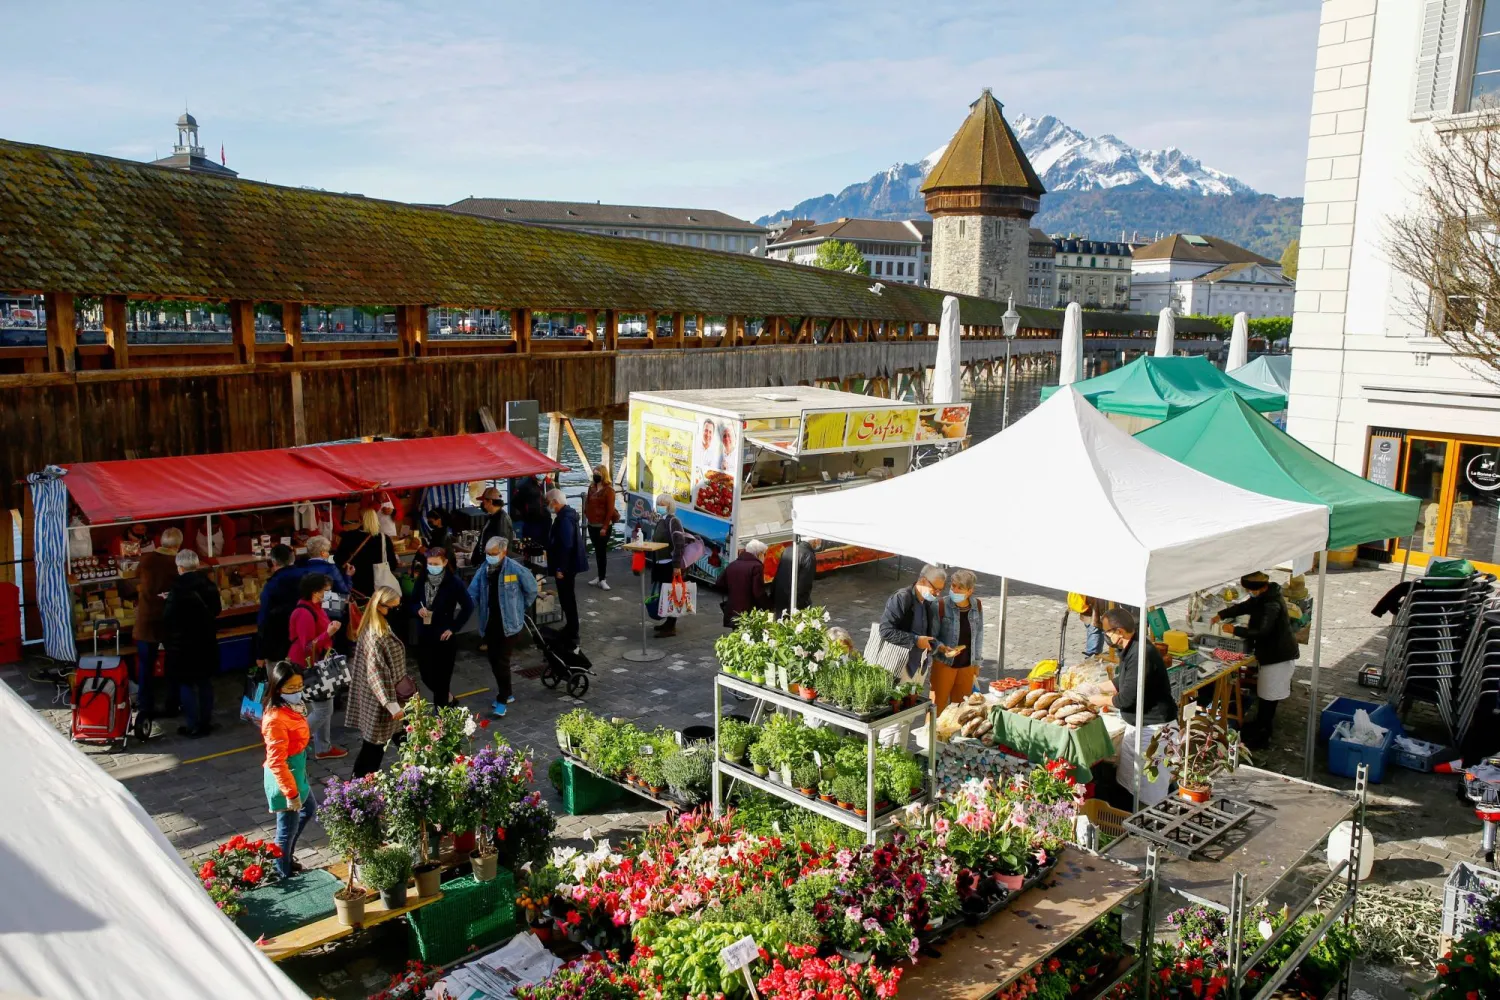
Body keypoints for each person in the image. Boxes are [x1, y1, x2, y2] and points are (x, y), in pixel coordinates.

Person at [1098, 606, 1177, 807]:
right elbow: (1126, 680)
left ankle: (1152, 823)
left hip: (1153, 728)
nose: (1105, 636)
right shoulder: (1131, 647)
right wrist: (1098, 687)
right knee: (1128, 779)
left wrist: (1097, 700)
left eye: (1107, 631)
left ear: (1119, 632)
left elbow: (1125, 699)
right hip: (1137, 725)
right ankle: (1130, 813)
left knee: (1150, 787)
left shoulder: (1142, 654)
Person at [1212, 571, 1300, 750]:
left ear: (1258, 588)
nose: (1249, 593)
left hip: (1278, 657)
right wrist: (1221, 615)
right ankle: (1259, 726)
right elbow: (1244, 607)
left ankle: (1263, 736)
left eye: (1249, 590)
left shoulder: (1272, 604)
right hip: (1271, 655)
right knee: (1265, 696)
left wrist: (1234, 630)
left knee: (1269, 698)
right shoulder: (1263, 597)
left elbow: (1262, 631)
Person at [467, 537, 538, 718]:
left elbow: (531, 590)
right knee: (494, 660)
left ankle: (502, 699)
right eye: (488, 554)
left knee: (501, 661)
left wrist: (518, 609)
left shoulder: (515, 569)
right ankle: (508, 692)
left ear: (503, 552)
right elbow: (472, 593)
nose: (490, 557)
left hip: (510, 624)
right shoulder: (484, 570)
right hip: (490, 623)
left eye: (493, 554)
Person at [347, 586, 411, 777]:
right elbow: (376, 674)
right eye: (393, 607)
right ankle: (358, 786)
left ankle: (421, 774)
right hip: (385, 703)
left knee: (406, 740)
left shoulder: (377, 626)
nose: (396, 611)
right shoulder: (376, 635)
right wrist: (391, 705)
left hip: (390, 698)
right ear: (380, 607)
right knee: (373, 749)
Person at [261, 662, 315, 878]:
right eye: (291, 688)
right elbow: (277, 761)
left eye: (299, 686)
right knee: (285, 830)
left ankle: (286, 856)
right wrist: (291, 794)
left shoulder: (292, 708)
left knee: (308, 808)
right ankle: (283, 873)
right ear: (278, 689)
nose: (297, 692)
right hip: (286, 778)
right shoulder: (275, 719)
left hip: (297, 771)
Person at [403, 546, 473, 706]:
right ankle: (447, 697)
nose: (432, 567)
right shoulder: (422, 579)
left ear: (445, 562)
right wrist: (417, 609)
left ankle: (441, 714)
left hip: (444, 637)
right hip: (425, 634)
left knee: (442, 678)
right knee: (427, 675)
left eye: (436, 564)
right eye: (430, 564)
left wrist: (453, 628)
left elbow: (468, 606)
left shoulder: (454, 583)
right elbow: (412, 602)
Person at [162, 548, 221, 738]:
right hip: (206, 641)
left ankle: (192, 724)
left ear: (179, 567)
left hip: (183, 645)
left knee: (186, 684)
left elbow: (169, 618)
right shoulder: (209, 584)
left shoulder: (177, 589)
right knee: (205, 683)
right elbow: (217, 610)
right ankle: (205, 722)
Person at [287, 572, 345, 760]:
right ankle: (294, 744)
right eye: (325, 591)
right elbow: (306, 647)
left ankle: (323, 747)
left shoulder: (316, 606)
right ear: (315, 592)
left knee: (324, 706)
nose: (328, 594)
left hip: (319, 663)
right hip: (309, 666)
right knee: (323, 710)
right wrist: (328, 633)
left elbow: (339, 607)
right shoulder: (304, 613)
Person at [131, 526, 181, 728]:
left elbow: (134, 577)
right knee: (173, 664)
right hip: (169, 621)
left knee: (145, 665)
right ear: (177, 545)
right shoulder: (176, 563)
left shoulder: (147, 559)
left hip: (146, 619)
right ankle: (172, 703)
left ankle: (146, 705)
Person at [879, 564, 947, 683]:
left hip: (920, 666)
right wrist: (915, 640)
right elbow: (886, 631)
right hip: (899, 665)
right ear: (923, 581)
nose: (938, 594)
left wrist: (939, 646)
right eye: (935, 589)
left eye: (940, 590)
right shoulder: (902, 598)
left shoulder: (928, 603)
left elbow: (925, 632)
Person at [933, 569, 985, 713]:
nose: (954, 590)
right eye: (952, 586)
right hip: (944, 664)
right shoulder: (941, 605)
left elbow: (979, 635)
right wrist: (943, 648)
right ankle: (932, 735)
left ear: (969, 591)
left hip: (966, 665)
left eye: (959, 588)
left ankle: (954, 736)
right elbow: (932, 636)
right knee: (937, 707)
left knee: (961, 708)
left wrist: (976, 663)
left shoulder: (977, 606)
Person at [545, 489, 585, 649]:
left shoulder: (564, 519)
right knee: (567, 597)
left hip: (566, 566)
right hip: (568, 564)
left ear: (555, 501)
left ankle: (573, 631)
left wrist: (561, 567)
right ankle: (570, 627)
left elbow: (566, 544)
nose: (548, 505)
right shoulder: (567, 516)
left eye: (548, 502)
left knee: (567, 598)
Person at [335, 508, 402, 599]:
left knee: (354, 611)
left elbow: (338, 560)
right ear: (376, 519)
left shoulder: (349, 536)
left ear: (360, 519)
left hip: (353, 585)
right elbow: (392, 565)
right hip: (376, 587)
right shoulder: (384, 539)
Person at [649, 494, 688, 638]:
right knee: (665, 593)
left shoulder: (674, 521)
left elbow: (679, 544)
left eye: (662, 503)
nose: (659, 505)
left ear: (669, 506)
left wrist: (676, 565)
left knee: (671, 594)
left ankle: (671, 626)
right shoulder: (661, 521)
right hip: (659, 563)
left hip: (669, 564)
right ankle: (668, 623)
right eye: (658, 502)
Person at [256, 544, 302, 665]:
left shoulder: (272, 586)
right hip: (304, 640)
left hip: (278, 645)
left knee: (279, 680)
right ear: (293, 559)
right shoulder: (309, 577)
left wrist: (261, 653)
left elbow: (263, 621)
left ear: (274, 562)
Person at [583, 465, 618, 591]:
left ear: (603, 474)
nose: (595, 475)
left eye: (597, 473)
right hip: (592, 525)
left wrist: (604, 527)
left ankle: (603, 579)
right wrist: (587, 516)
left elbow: (609, 511)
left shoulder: (609, 490)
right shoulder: (591, 488)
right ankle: (599, 576)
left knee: (602, 552)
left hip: (604, 526)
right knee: (597, 551)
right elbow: (587, 503)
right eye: (594, 473)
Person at [722, 539, 769, 626]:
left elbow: (720, 583)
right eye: (764, 554)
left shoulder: (733, 564)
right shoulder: (756, 566)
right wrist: (767, 606)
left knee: (736, 634)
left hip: (732, 609)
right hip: (748, 611)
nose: (764, 557)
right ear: (759, 554)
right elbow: (758, 592)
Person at [771, 538, 820, 614]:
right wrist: (801, 608)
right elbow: (804, 585)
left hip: (780, 601)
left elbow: (778, 577)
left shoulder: (788, 549)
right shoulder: (808, 555)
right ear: (814, 540)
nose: (820, 541)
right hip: (793, 605)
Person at [471, 486, 517, 567]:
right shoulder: (492, 517)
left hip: (494, 564)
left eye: (484, 502)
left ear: (490, 502)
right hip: (487, 561)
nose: (482, 504)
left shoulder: (502, 519)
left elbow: (501, 545)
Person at [514, 476, 551, 545]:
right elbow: (516, 502)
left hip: (544, 519)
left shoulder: (547, 482)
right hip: (532, 520)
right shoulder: (525, 485)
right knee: (531, 544)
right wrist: (525, 512)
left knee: (544, 542)